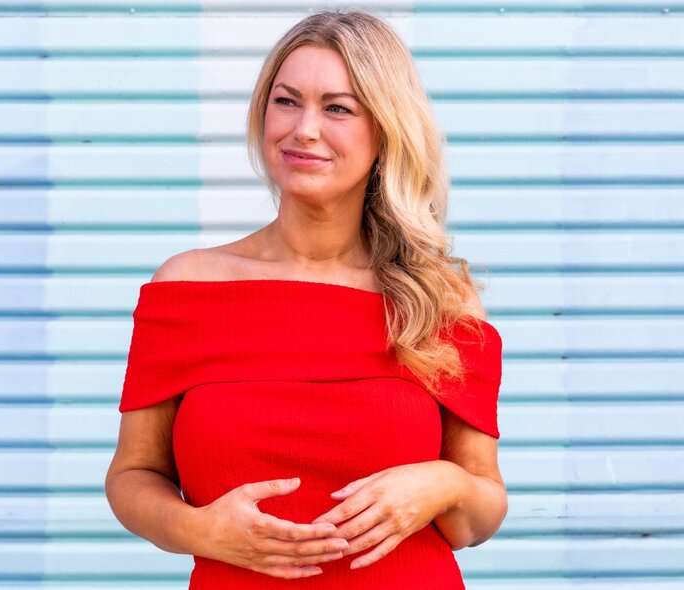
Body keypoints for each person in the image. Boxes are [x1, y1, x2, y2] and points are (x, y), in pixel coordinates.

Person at [105, 9, 506, 589]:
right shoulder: (187, 287)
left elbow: (481, 512)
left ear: (386, 130)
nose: (304, 130)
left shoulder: (438, 299)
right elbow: (133, 475)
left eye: (337, 108)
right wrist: (198, 531)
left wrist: (443, 484)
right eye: (286, 101)